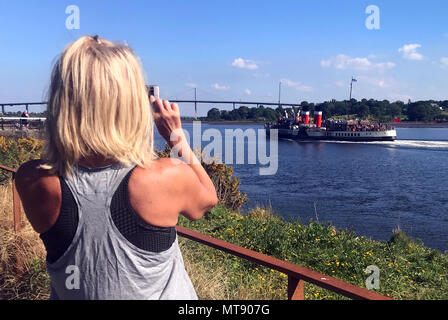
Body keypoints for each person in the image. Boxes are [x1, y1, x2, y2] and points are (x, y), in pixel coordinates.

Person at [14, 35, 218, 300]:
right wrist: (177, 137)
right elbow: (208, 199)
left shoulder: (31, 179)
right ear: (132, 103)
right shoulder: (164, 177)